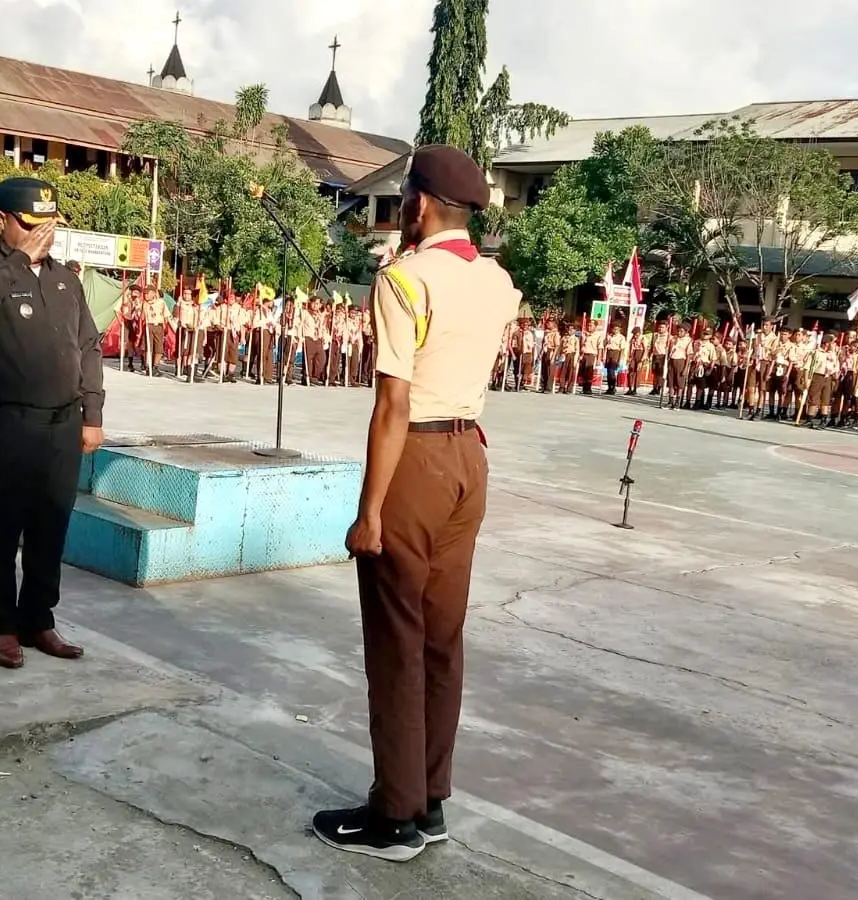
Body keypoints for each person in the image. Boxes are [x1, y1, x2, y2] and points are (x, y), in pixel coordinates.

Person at [313, 144, 520, 863]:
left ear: (419, 204)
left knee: (396, 637)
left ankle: (393, 817)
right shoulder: (500, 281)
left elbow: (392, 403)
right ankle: (430, 799)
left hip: (419, 459)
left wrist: (370, 511)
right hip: (471, 459)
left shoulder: (403, 279)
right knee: (442, 637)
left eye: (404, 198)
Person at [0, 177, 104, 667]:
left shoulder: (66, 279)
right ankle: (1, 627)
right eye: (31, 224)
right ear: (2, 220)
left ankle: (39, 620)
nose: (44, 235)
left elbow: (88, 347)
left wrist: (92, 413)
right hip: (5, 424)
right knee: (1, 530)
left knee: (50, 530)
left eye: (50, 225)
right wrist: (17, 263)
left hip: (62, 425)